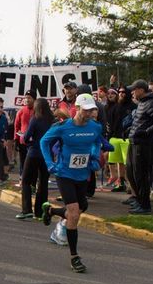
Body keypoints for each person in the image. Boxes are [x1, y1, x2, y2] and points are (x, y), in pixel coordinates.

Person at [40, 93, 112, 273]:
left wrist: (95, 157)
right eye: (86, 110)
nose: (89, 114)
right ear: (77, 109)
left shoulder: (95, 127)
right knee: (74, 213)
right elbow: (44, 142)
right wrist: (50, 163)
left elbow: (97, 142)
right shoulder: (63, 127)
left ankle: (51, 210)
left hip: (82, 175)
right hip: (64, 174)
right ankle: (74, 257)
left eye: (92, 110)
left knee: (81, 208)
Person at [125, 79, 153, 214]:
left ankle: (145, 205)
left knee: (141, 175)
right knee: (131, 173)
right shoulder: (142, 103)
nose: (132, 92)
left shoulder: (150, 103)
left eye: (134, 89)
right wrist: (132, 128)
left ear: (141, 90)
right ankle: (139, 200)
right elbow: (142, 121)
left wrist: (146, 131)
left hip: (142, 144)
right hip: (134, 142)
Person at [16, 97, 54, 220]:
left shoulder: (35, 119)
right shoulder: (52, 121)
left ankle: (26, 209)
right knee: (43, 183)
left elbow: (27, 136)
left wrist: (28, 141)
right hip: (47, 155)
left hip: (33, 153)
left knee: (26, 181)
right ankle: (40, 211)